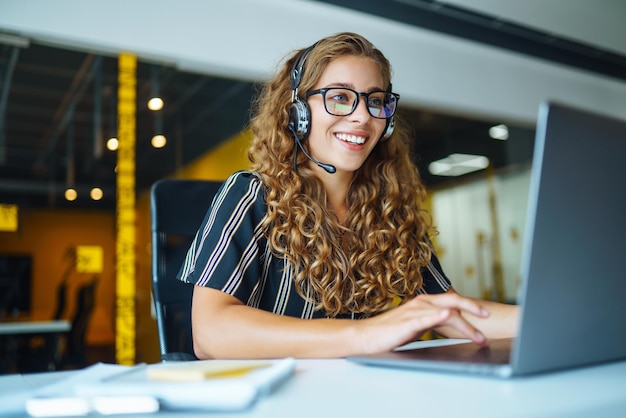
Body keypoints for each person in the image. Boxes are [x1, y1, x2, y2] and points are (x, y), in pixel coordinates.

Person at [178, 32, 519, 359]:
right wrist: (366, 335)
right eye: (339, 97)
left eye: (375, 101)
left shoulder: (390, 208)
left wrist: (556, 320)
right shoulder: (252, 194)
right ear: (297, 111)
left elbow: (453, 314)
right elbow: (209, 333)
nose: (362, 116)